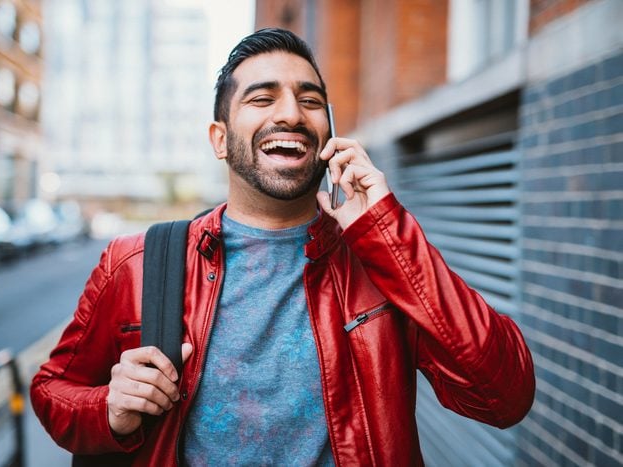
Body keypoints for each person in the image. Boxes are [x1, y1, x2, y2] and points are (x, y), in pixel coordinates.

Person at [31, 28, 535, 466]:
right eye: (262, 97)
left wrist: (385, 228)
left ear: (329, 132)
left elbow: (505, 395)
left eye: (311, 100)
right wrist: (110, 411)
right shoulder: (136, 263)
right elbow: (53, 391)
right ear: (220, 139)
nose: (292, 113)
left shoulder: (380, 261)